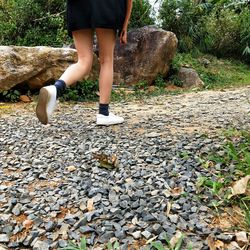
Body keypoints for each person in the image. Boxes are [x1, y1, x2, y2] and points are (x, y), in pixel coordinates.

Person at [36, 0, 133, 126]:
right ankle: (104, 113)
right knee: (106, 60)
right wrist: (124, 25)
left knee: (83, 61)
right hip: (107, 6)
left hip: (78, 6)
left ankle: (55, 89)